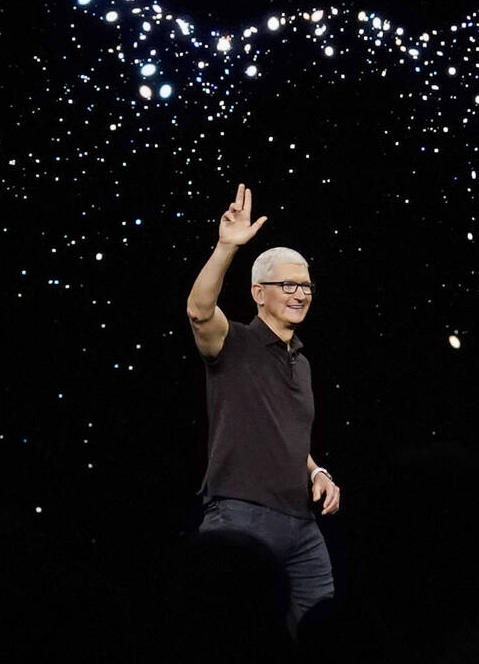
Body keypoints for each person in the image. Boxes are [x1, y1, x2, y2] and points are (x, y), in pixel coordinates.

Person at [185, 183, 340, 638]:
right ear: (259, 292)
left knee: (321, 634)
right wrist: (226, 246)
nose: (300, 293)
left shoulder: (303, 362)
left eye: (307, 285)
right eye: (288, 284)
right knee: (230, 636)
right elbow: (198, 310)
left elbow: (289, 436)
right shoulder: (234, 342)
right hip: (241, 515)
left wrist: (317, 472)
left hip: (302, 525)